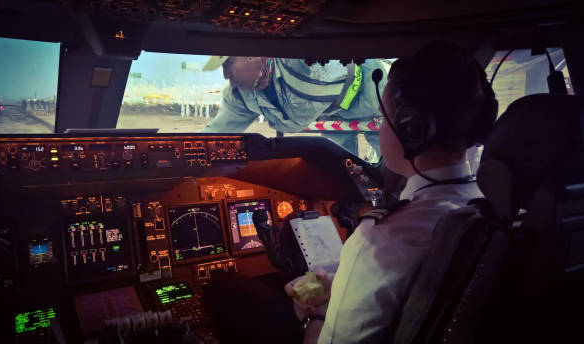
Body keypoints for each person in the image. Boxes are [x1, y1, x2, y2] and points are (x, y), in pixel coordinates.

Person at [284, 40, 498, 343]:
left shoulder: (381, 242)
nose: (381, 127)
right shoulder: (489, 206)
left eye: (385, 117)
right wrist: (344, 284)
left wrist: (314, 316)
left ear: (410, 129)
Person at [200, 56, 389, 156]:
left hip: (370, 90)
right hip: (333, 116)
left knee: (395, 168)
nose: (225, 75)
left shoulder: (294, 54)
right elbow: (216, 134)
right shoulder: (240, 96)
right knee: (344, 175)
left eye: (227, 64)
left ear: (251, 54)